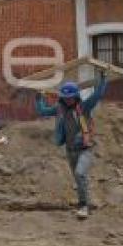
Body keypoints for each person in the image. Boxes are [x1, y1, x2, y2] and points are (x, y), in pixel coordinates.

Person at [36, 72, 108, 219]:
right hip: (70, 151)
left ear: (76, 96)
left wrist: (103, 79)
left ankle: (84, 206)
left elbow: (97, 96)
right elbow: (43, 111)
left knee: (80, 173)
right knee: (79, 178)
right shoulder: (59, 109)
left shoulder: (84, 107)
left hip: (85, 149)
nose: (68, 100)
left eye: (71, 98)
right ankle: (86, 201)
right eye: (66, 98)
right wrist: (39, 98)